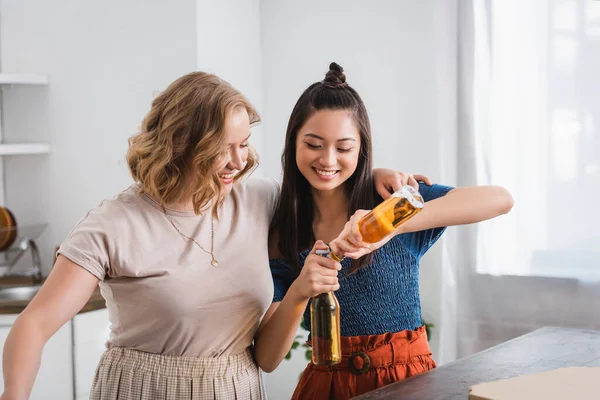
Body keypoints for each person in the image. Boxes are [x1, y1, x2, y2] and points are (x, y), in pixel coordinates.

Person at [1, 70, 425, 400]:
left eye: (244, 144)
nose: (238, 161)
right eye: (222, 146)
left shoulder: (258, 200)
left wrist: (377, 176)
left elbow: (328, 184)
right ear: (177, 143)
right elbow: (35, 324)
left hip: (238, 386)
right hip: (144, 389)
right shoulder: (114, 224)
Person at [253, 63, 514, 400]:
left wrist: (394, 225)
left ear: (361, 150)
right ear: (293, 144)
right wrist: (300, 291)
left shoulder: (391, 202)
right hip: (327, 388)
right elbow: (267, 358)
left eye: (344, 148)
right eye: (314, 144)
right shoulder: (282, 232)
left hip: (409, 384)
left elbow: (500, 199)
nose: (328, 159)